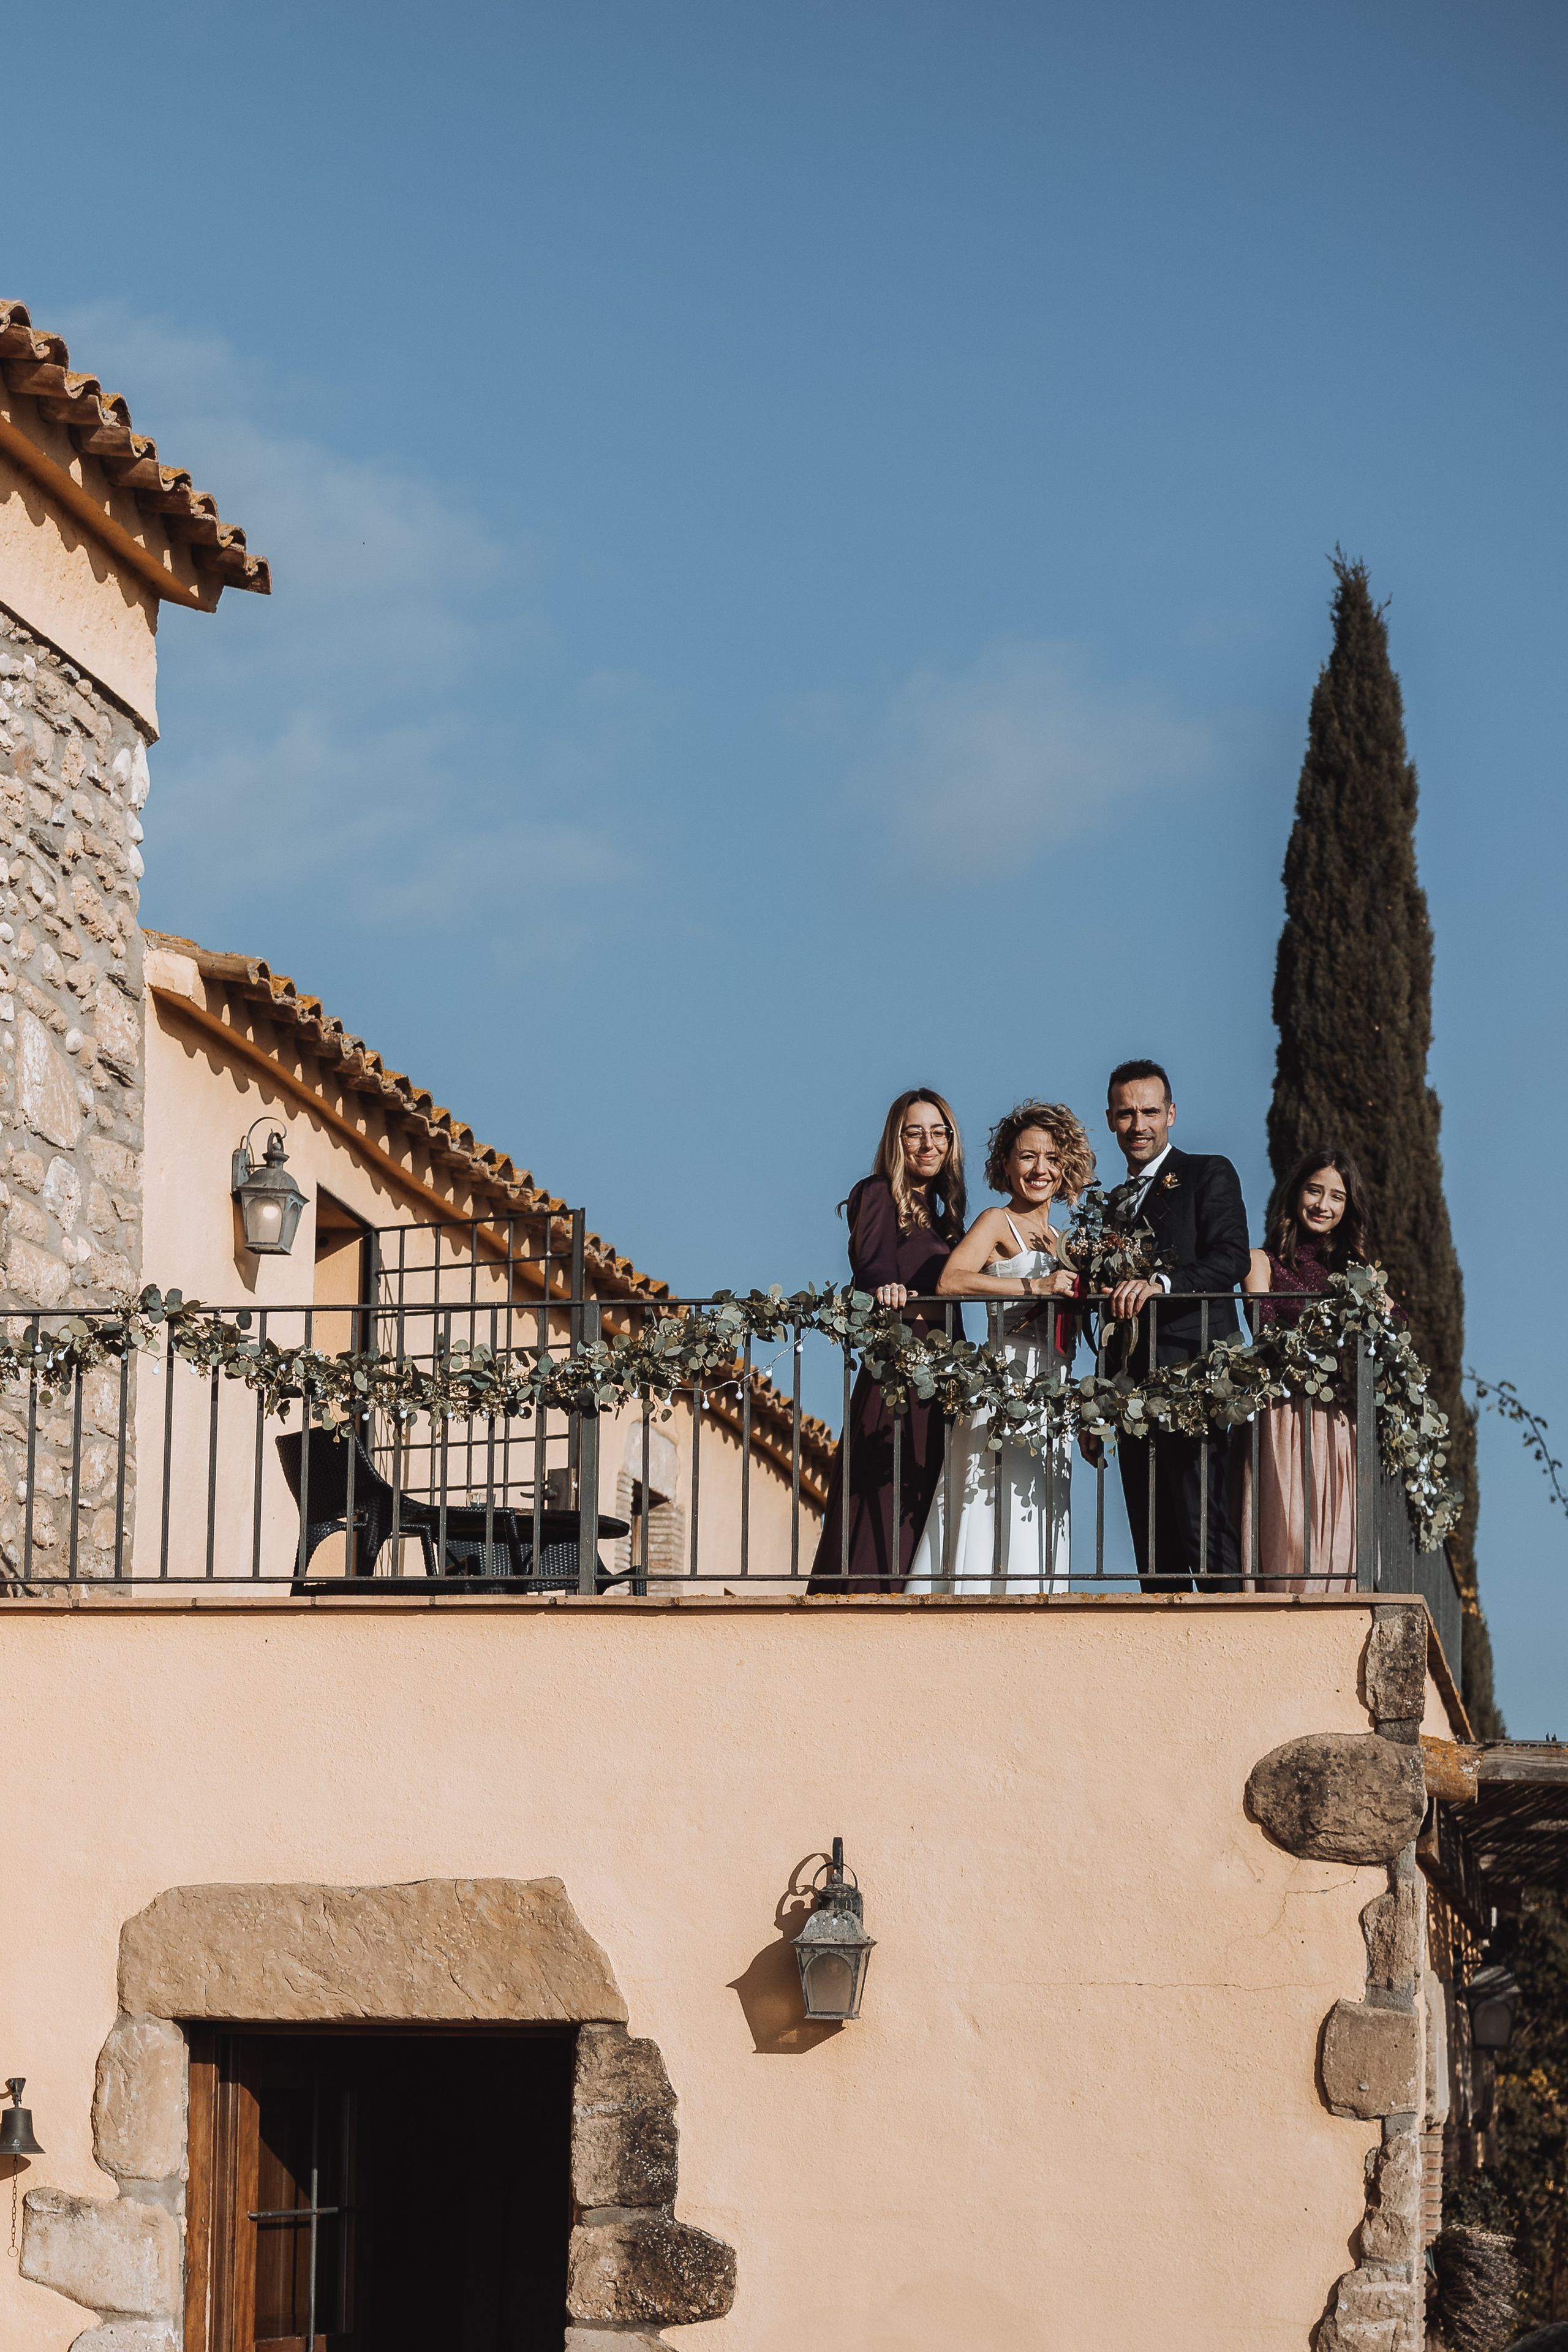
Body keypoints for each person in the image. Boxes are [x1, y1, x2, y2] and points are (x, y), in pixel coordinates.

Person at [905, 1101, 1090, 1594]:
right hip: (1006, 1378)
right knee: (991, 1497)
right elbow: (949, 1281)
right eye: (1028, 1157)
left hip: (1056, 1388)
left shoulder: (1061, 1239)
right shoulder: (996, 1221)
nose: (1040, 1169)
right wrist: (1036, 1288)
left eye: (1052, 1158)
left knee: (1040, 1503)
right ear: (1006, 1164)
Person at [1093, 1058, 1249, 1591]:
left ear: (1172, 1114)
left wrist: (1161, 1283)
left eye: (1150, 1112)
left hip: (1195, 1376)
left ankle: (1227, 1656)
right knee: (1152, 1545)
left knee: (1201, 1526)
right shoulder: (1111, 1206)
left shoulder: (1208, 1171)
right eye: (1126, 1114)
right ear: (1111, 1120)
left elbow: (1232, 1259)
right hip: (1131, 1391)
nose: (1139, 1125)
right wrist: (1097, 1401)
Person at [807, 1090, 967, 1592]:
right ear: (896, 1141)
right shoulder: (877, 1192)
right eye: (914, 1131)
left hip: (940, 1385)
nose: (928, 1143)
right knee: (885, 1505)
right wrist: (884, 1288)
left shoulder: (947, 1221)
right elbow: (871, 1263)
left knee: (926, 1503)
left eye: (939, 1132)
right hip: (897, 1381)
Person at [1230, 1148, 1370, 1593]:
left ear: (1348, 1209)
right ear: (1295, 1195)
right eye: (1315, 1190)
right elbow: (1264, 1330)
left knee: (1337, 1541)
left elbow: (1386, 1338)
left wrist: (1380, 1306)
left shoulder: (1355, 1273)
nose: (1324, 1205)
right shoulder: (1260, 1262)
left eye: (1337, 1197)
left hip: (1338, 1424)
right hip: (1283, 1416)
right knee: (1288, 1539)